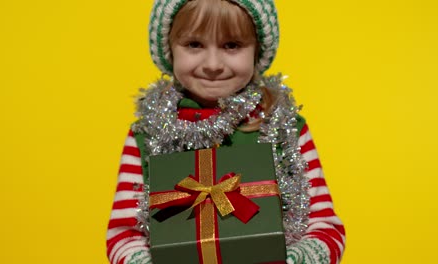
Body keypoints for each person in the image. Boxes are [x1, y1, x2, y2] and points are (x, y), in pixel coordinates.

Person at [106, 0, 345, 263]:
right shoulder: (147, 133)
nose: (213, 64)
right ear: (170, 50)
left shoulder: (284, 126)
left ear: (257, 52)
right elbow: (124, 236)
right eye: (194, 44)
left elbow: (325, 229)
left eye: (231, 45)